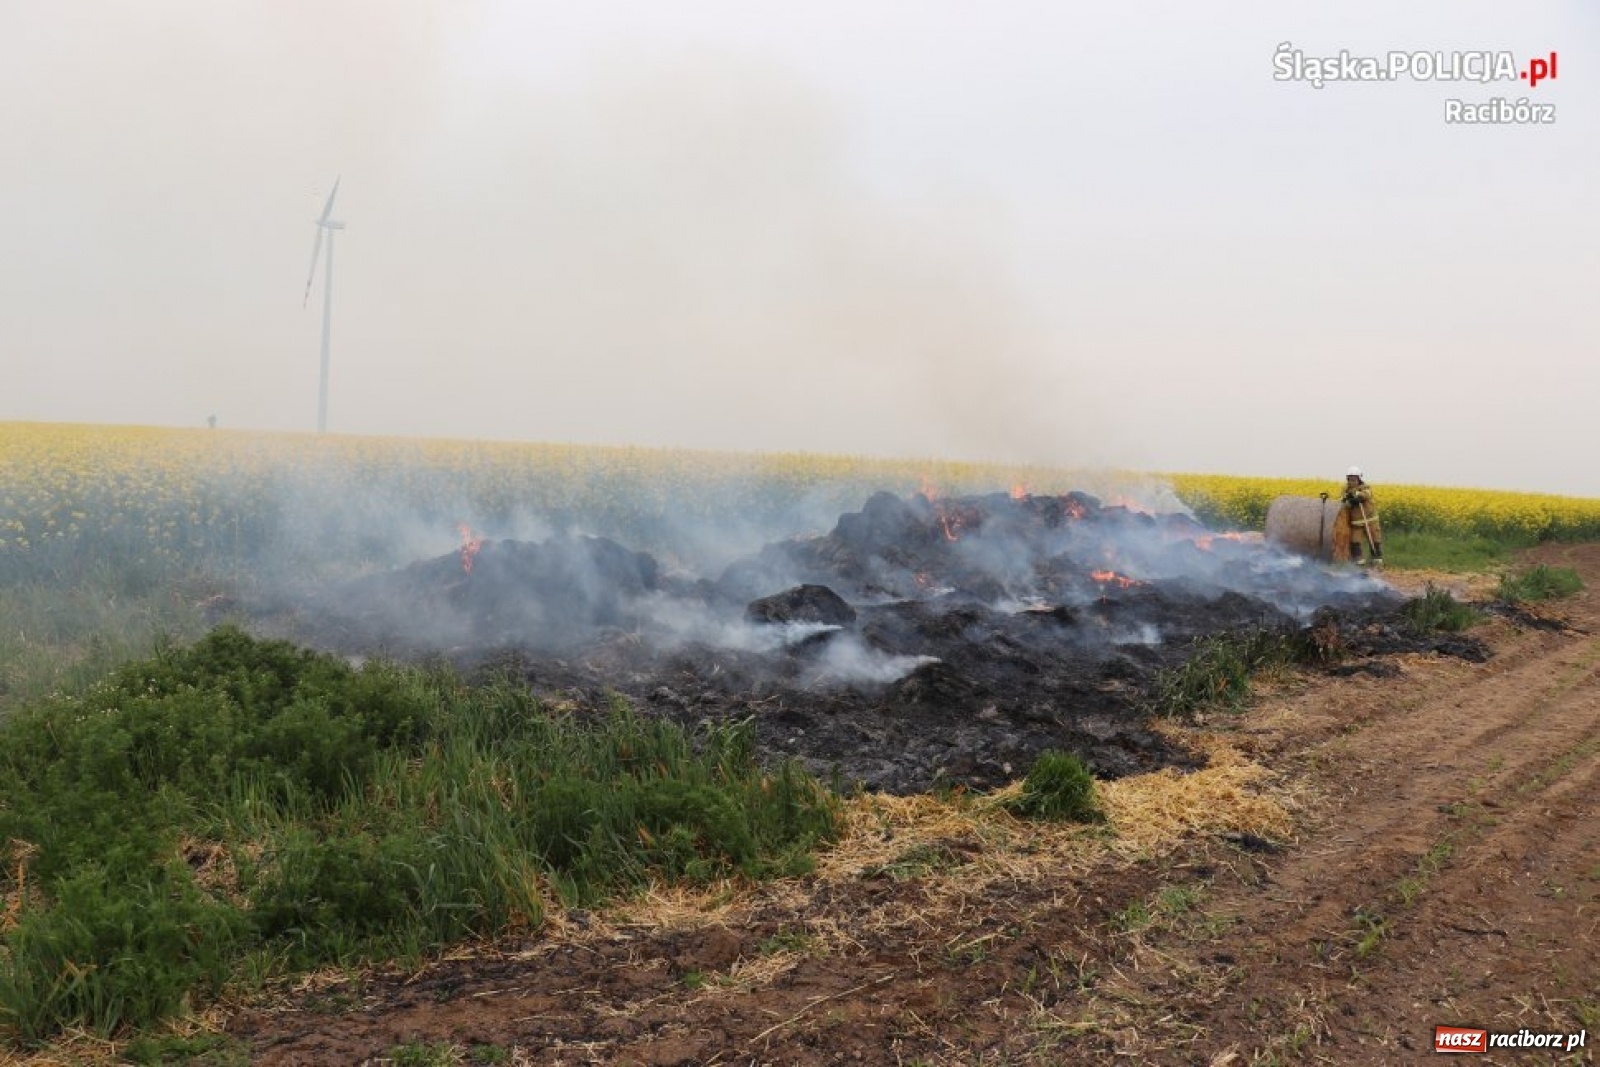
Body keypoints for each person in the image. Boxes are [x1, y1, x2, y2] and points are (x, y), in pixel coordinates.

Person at [1342, 466, 1383, 566]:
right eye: (1350, 479)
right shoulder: (1346, 491)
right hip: (1357, 522)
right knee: (1355, 541)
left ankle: (1377, 559)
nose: (1352, 482)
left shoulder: (1366, 488)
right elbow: (1344, 502)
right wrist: (1349, 500)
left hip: (1370, 520)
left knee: (1374, 539)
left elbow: (1366, 494)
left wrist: (1358, 497)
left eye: (1354, 479)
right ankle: (1359, 561)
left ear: (1359, 479)